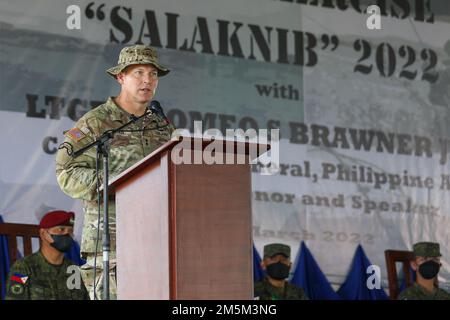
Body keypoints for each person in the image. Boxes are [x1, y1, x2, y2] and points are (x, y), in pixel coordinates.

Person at [55, 45, 175, 299]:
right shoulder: (96, 123)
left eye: (153, 74)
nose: (147, 80)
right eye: (138, 72)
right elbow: (66, 171)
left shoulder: (161, 126)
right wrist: (112, 182)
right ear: (121, 77)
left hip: (155, 236)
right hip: (110, 240)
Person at [5, 210, 89, 300]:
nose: (67, 234)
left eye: (70, 231)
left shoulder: (74, 270)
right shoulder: (23, 268)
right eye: (61, 229)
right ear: (44, 234)